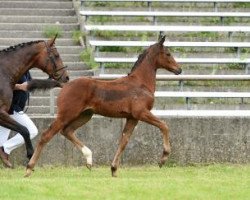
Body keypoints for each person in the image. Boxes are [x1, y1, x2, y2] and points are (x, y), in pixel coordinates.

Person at [0, 71, 38, 168]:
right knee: (32, 131)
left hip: (14, 109)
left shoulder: (27, 72)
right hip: (12, 108)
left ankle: (4, 149)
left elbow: (30, 85)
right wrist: (20, 86)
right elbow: (3, 85)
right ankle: (5, 149)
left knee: (1, 140)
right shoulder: (14, 67)